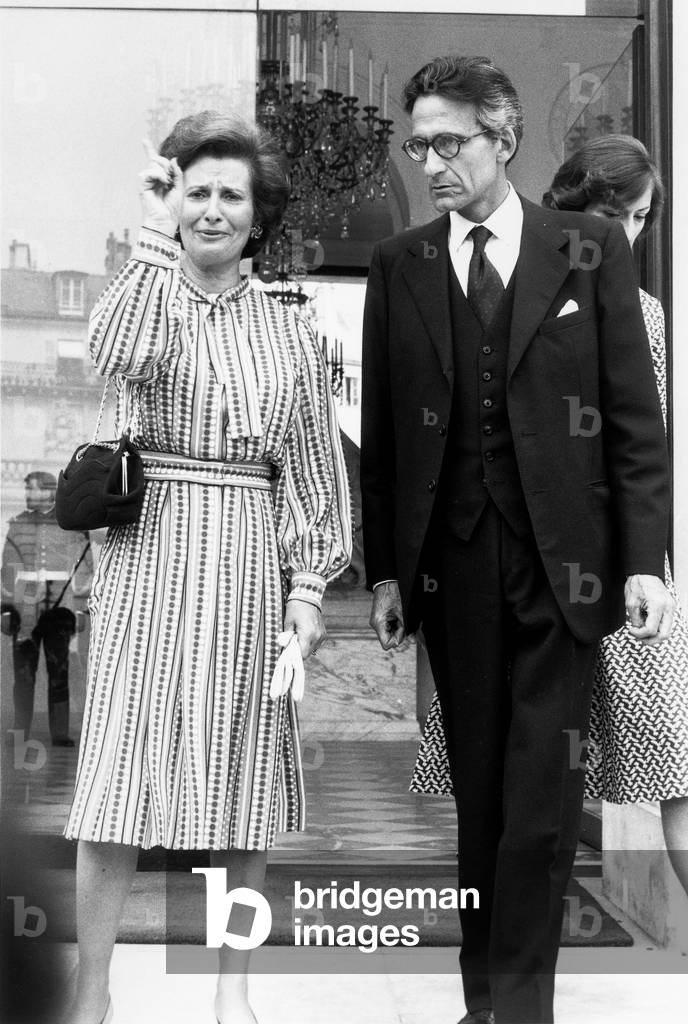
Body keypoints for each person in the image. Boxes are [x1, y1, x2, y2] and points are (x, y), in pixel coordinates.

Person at [360, 57, 673, 1024]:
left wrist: (642, 564)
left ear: (504, 137)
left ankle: (521, 1011)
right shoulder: (400, 264)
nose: (433, 163)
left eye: (450, 142)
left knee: (541, 806)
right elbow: (383, 437)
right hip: (453, 566)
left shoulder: (588, 249)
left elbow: (632, 419)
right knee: (481, 802)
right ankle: (482, 1003)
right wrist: (384, 574)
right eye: (419, 147)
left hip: (563, 565)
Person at [62, 111, 352, 1024]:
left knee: (243, 788)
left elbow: (309, 468)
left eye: (232, 194)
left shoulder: (293, 333)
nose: (213, 209)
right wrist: (150, 236)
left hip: (244, 558)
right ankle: (92, 989)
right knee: (116, 778)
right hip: (147, 554)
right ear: (172, 202)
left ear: (257, 214)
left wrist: (307, 591)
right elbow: (119, 355)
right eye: (196, 192)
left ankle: (233, 991)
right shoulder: (142, 293)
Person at [413, 135, 688, 903]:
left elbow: (643, 440)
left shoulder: (643, 313)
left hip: (615, 564)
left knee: (674, 761)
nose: (626, 235)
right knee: (513, 773)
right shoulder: (505, 283)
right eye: (613, 214)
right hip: (530, 563)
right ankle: (509, 962)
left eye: (640, 219)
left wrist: (643, 561)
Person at [1, 470, 93, 747]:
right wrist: (5, 607)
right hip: (25, 609)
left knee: (59, 672)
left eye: (33, 490)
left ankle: (60, 733)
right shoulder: (17, 525)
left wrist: (81, 608)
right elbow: (8, 570)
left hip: (60, 608)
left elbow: (85, 569)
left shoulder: (71, 526)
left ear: (49, 492)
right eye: (27, 490)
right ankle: (20, 730)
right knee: (23, 675)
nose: (28, 495)